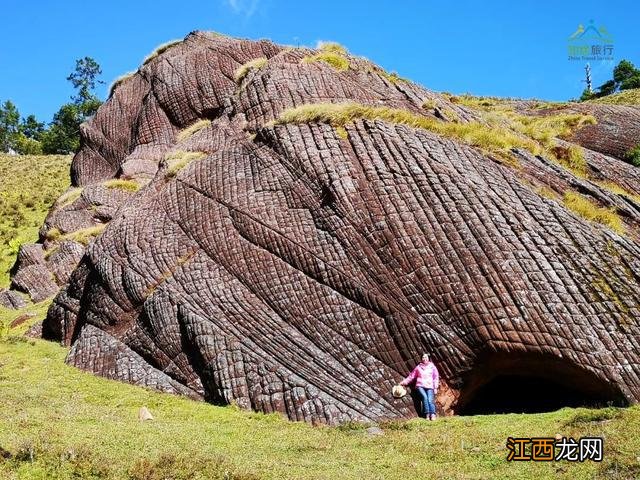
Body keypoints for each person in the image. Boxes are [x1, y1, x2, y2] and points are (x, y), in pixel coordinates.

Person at [399, 353, 439, 420]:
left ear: (429, 358)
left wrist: (435, 387)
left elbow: (436, 378)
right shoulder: (418, 367)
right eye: (423, 357)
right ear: (421, 359)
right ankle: (427, 414)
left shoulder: (433, 367)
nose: (424, 359)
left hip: (430, 386)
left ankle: (433, 414)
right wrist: (403, 382)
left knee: (430, 400)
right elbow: (411, 376)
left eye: (426, 357)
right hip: (420, 386)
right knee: (425, 398)